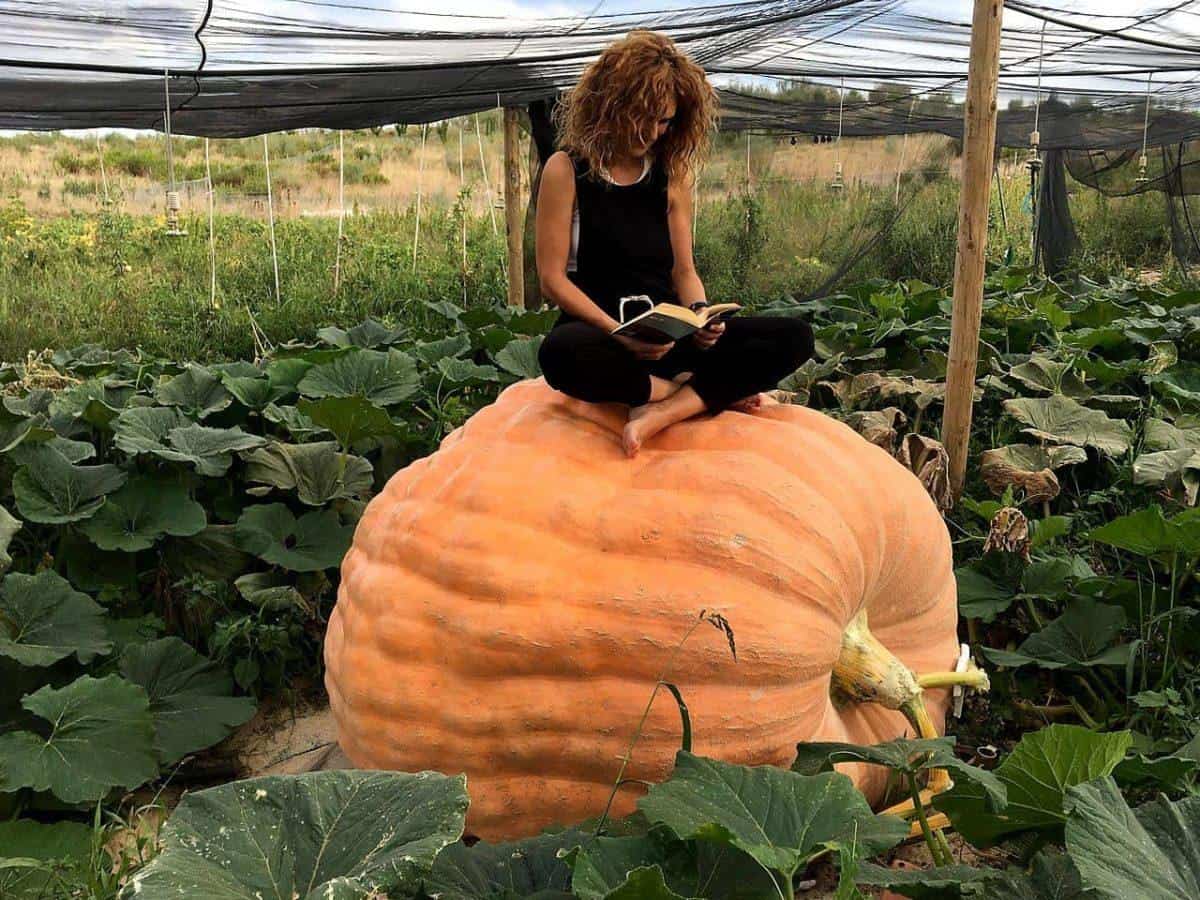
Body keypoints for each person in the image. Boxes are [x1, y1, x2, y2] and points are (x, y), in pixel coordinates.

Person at [535, 29, 814, 458]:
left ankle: (664, 410)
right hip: (605, 339)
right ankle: (682, 390)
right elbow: (552, 279)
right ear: (610, 104)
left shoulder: (671, 176)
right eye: (642, 116)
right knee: (559, 353)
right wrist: (619, 334)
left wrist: (700, 316)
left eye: (663, 120)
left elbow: (684, 271)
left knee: (795, 337)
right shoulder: (566, 170)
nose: (651, 132)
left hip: (671, 339)